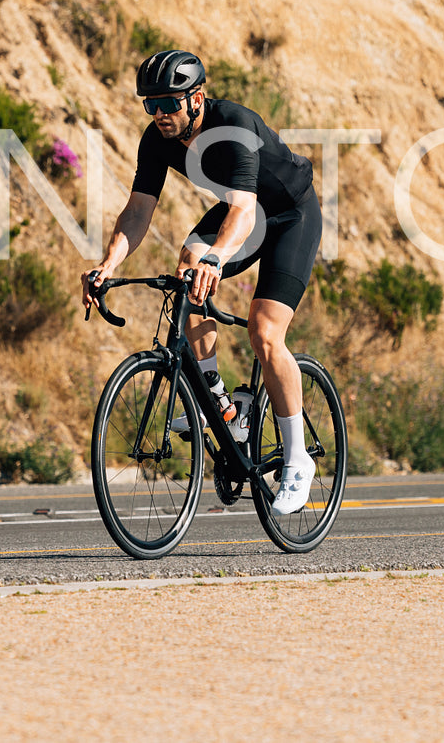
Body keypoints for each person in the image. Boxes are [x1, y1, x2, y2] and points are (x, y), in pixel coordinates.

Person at [81, 50, 322, 516]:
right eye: (150, 106)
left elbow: (244, 211)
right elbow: (138, 210)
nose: (159, 115)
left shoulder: (233, 127)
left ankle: (297, 462)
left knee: (264, 331)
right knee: (185, 268)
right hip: (244, 210)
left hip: (289, 214)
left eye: (169, 104)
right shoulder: (157, 139)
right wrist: (107, 264)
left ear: (197, 98)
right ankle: (219, 403)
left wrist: (216, 258)